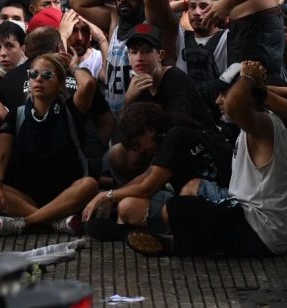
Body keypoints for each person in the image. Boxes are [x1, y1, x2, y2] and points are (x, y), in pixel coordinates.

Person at [126, 61, 287, 257]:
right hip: (257, 221)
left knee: (176, 209)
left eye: (225, 94)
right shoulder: (257, 125)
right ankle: (183, 240)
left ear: (246, 97)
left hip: (259, 233)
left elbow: (235, 106)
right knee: (195, 186)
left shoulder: (262, 126)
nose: (218, 100)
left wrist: (248, 76)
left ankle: (178, 244)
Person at [0, 53, 100, 235]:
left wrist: (73, 66)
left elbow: (88, 85)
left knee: (90, 185)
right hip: (26, 198)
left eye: (46, 75)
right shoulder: (16, 115)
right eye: (33, 74)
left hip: (66, 194)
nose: (38, 79)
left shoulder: (71, 110)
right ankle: (54, 222)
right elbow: (2, 157)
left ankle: (26, 222)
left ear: (60, 84)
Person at [82, 102, 232, 241]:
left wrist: (107, 196)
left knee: (127, 206)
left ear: (149, 130)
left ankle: (143, 233)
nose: (141, 150)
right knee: (123, 204)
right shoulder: (170, 134)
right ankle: (128, 226)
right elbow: (147, 175)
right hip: (189, 197)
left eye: (138, 143)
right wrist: (114, 196)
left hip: (209, 199)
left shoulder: (174, 137)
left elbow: (148, 187)